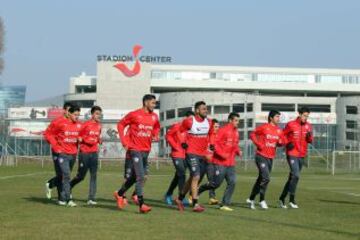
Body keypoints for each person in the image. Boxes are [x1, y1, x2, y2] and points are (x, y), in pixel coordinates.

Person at [114, 94, 160, 214]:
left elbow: (156, 128)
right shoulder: (134, 114)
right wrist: (124, 141)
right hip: (134, 149)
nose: (154, 105)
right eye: (153, 103)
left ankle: (119, 194)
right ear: (146, 103)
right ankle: (141, 204)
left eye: (155, 103)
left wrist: (155, 134)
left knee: (134, 177)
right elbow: (120, 124)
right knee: (141, 176)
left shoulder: (154, 117)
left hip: (146, 150)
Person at [175, 101, 214, 212]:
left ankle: (179, 198)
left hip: (202, 154)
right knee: (196, 176)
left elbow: (211, 134)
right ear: (197, 110)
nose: (206, 111)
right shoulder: (189, 121)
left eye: (206, 109)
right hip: (191, 153)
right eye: (203, 109)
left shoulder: (209, 122)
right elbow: (179, 130)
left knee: (193, 178)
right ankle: (195, 204)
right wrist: (182, 141)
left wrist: (211, 144)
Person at [198, 112, 241, 211]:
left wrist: (238, 151)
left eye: (238, 121)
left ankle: (224, 204)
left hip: (231, 163)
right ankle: (199, 190)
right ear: (230, 120)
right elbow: (214, 144)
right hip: (220, 163)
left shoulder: (236, 132)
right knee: (215, 184)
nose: (237, 123)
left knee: (232, 182)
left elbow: (235, 145)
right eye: (236, 120)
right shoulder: (223, 130)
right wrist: (222, 154)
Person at [246, 110, 285, 210]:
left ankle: (251, 198)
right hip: (261, 156)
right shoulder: (264, 127)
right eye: (277, 116)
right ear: (271, 118)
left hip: (270, 158)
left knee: (261, 179)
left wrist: (281, 143)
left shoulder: (279, 130)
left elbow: (281, 142)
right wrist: (258, 143)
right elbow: (252, 134)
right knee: (266, 178)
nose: (278, 118)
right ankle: (262, 200)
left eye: (279, 117)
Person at [44, 105, 82, 206]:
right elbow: (48, 134)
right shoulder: (60, 123)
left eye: (78, 115)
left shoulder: (79, 125)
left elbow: (82, 136)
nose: (77, 117)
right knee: (66, 175)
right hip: (62, 154)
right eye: (75, 114)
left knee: (62, 176)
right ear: (68, 113)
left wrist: (81, 139)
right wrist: (57, 148)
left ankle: (51, 184)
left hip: (73, 154)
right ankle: (68, 199)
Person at [279, 107, 313, 209]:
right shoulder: (291, 124)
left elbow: (310, 140)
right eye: (304, 115)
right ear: (300, 114)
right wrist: (287, 143)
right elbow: (282, 135)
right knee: (296, 175)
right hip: (292, 153)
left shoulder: (308, 126)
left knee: (292, 178)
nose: (305, 118)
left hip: (302, 155)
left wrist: (309, 137)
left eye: (307, 116)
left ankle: (282, 198)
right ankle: (292, 199)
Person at [70, 106, 102, 205]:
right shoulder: (86, 124)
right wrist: (85, 140)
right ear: (92, 114)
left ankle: (91, 198)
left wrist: (99, 141)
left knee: (94, 176)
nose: (98, 115)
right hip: (84, 153)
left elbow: (97, 137)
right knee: (81, 176)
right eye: (97, 113)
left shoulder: (99, 126)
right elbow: (79, 136)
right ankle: (68, 186)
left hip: (94, 153)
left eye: (99, 114)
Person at [163, 111, 194, 206]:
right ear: (185, 118)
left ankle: (168, 195)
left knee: (178, 176)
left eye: (192, 120)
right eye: (190, 119)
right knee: (182, 174)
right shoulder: (177, 126)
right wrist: (175, 146)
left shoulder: (191, 129)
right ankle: (181, 197)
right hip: (177, 154)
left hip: (186, 155)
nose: (191, 121)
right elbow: (168, 136)